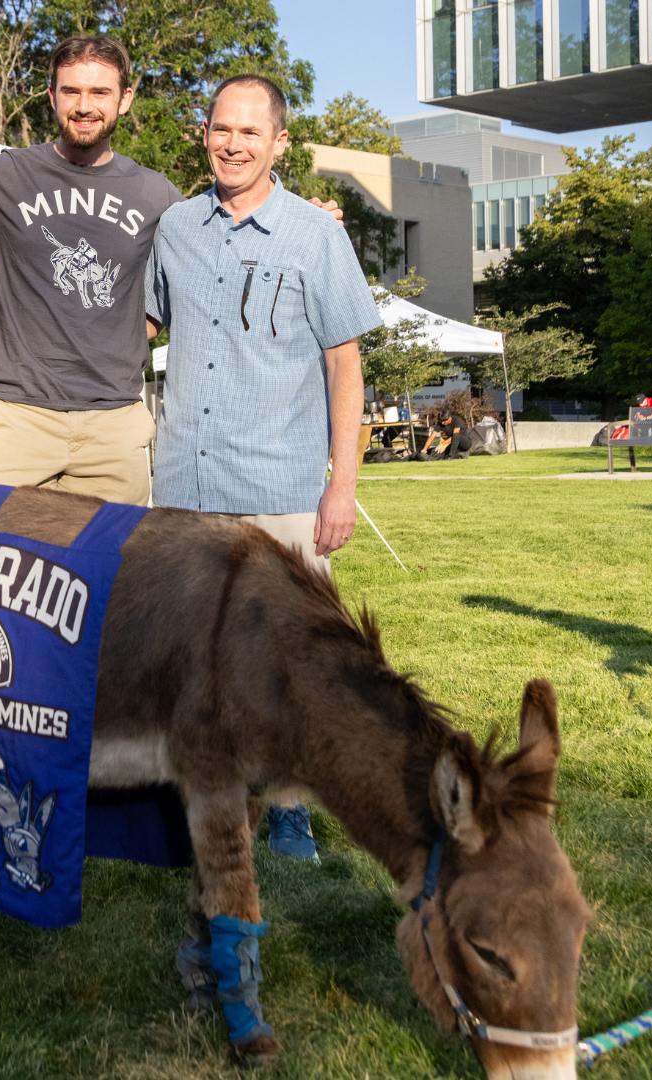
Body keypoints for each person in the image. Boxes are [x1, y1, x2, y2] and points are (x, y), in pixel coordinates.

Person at [0, 37, 348, 506]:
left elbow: (220, 226)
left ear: (125, 99)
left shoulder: (158, 196)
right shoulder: (1, 176)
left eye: (100, 92)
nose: (85, 106)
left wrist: (301, 214)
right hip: (14, 419)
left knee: (112, 596)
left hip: (114, 423)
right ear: (53, 97)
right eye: (72, 92)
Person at [145, 75, 382, 861]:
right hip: (185, 489)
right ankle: (205, 801)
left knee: (291, 660)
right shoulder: (175, 229)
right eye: (221, 129)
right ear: (205, 134)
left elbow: (345, 366)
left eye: (251, 132)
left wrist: (340, 485)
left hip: (279, 486)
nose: (233, 143)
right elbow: (137, 322)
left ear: (281, 142)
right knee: (195, 658)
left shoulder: (317, 237)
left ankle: (288, 809)